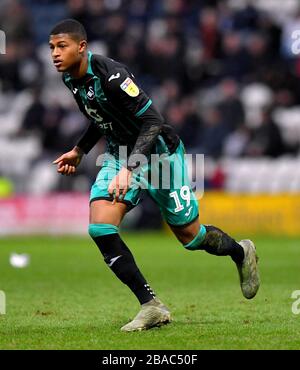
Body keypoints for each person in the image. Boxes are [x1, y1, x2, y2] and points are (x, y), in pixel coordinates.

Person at [50, 19, 260, 332]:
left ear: (82, 47)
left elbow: (152, 121)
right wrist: (80, 150)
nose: (55, 53)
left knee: (191, 236)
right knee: (100, 226)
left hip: (159, 154)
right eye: (52, 47)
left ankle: (240, 251)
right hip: (121, 153)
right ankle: (151, 306)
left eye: (62, 46)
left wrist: (130, 168)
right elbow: (101, 116)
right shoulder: (71, 79)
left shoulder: (112, 75)